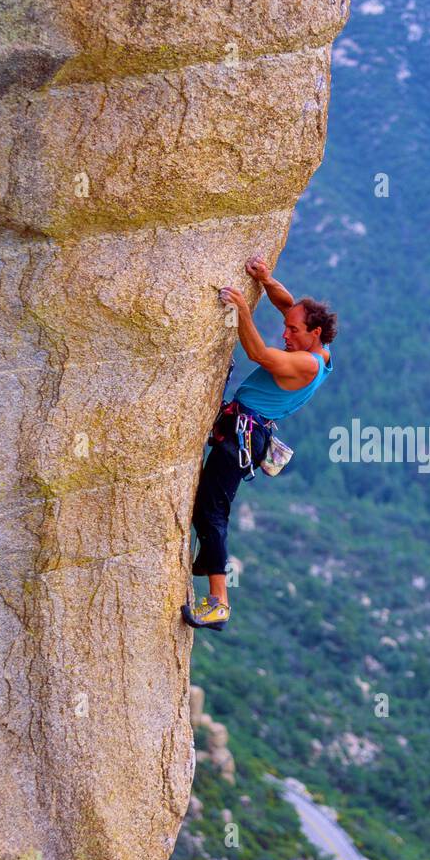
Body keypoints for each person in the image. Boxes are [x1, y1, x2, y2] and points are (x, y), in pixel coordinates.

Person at [184, 256, 337, 630]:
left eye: (292, 331)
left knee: (211, 510)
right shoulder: (323, 350)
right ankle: (206, 559)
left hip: (242, 438)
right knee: (209, 507)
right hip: (245, 432)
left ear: (314, 332)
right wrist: (267, 280)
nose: (285, 335)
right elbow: (288, 304)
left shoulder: (306, 365)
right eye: (286, 328)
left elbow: (258, 354)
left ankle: (219, 602)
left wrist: (241, 310)